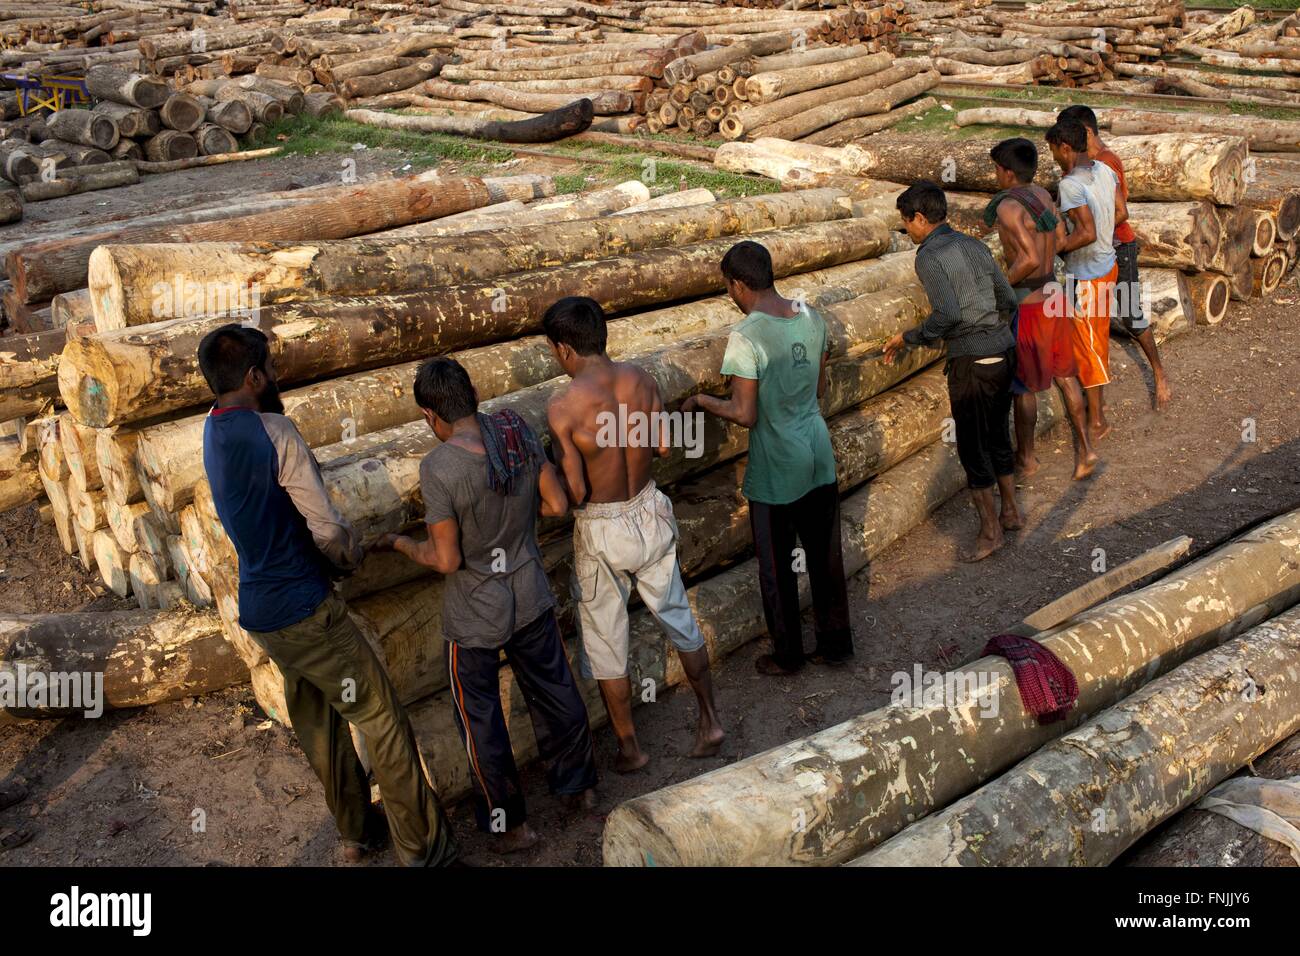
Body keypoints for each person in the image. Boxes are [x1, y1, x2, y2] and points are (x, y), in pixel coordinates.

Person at [198, 323, 457, 867]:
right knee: (381, 716)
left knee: (320, 723)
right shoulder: (276, 433)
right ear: (252, 377)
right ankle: (425, 853)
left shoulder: (211, 429)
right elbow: (327, 527)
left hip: (263, 613)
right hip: (304, 606)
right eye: (268, 368)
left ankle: (355, 836)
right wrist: (350, 557)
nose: (275, 377)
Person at [376, 357, 597, 853]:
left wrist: (400, 545)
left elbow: (447, 557)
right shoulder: (513, 428)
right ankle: (579, 789)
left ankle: (511, 826)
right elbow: (558, 504)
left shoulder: (439, 468)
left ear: (430, 415)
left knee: (482, 724)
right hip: (529, 595)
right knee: (557, 693)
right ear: (472, 393)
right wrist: (513, 519)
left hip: (476, 615)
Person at [543, 296, 723, 772]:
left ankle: (631, 749)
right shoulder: (643, 380)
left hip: (602, 526)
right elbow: (663, 445)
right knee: (678, 617)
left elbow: (577, 489)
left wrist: (544, 480)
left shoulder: (563, 407)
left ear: (563, 349)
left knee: (605, 640)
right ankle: (710, 720)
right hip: (648, 508)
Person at [683, 241, 854, 675]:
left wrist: (703, 400)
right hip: (818, 453)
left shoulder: (746, 335)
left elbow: (744, 413)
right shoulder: (810, 314)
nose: (730, 295)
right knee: (824, 558)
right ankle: (835, 646)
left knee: (777, 569)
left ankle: (788, 657)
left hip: (778, 468)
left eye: (728, 287)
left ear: (738, 284)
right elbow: (818, 387)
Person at [883, 182, 1023, 562]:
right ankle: (1010, 512)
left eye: (905, 222)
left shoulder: (929, 256)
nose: (906, 229)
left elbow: (947, 314)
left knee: (972, 447)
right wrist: (995, 332)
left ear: (920, 219)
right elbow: (1008, 299)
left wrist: (912, 336)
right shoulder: (974, 244)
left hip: (973, 363)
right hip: (1003, 354)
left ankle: (990, 531)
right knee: (997, 434)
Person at [987, 137, 1098, 481]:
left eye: (995, 169)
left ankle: (1027, 459)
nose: (994, 175)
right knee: (1066, 378)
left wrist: (1000, 288)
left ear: (1006, 172)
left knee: (1023, 386)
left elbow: (1029, 258)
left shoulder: (1008, 207)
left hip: (1030, 304)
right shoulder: (1043, 197)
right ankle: (1087, 451)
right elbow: (1060, 241)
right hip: (1055, 296)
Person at [1059, 103, 1171, 410]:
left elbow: (1122, 210)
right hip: (1101, 252)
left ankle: (1159, 375)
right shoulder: (1087, 165)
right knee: (1094, 324)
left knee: (1131, 316)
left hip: (1118, 248)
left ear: (1085, 132)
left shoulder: (1105, 162)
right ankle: (1096, 389)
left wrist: (1091, 229)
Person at [1046, 118, 1122, 443]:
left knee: (1090, 346)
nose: (1052, 158)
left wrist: (1058, 245)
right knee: (1097, 339)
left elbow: (1086, 233)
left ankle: (1099, 421)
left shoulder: (1069, 185)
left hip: (1088, 276)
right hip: (1108, 265)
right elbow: (1121, 212)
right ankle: (1096, 412)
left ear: (1066, 147)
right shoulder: (1105, 170)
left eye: (1053, 151)